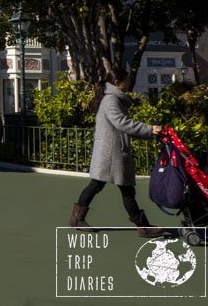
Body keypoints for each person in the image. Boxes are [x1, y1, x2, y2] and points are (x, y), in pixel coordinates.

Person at [68, 67, 163, 237]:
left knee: (105, 187)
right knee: (120, 189)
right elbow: (122, 123)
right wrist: (149, 129)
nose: (129, 82)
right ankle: (143, 226)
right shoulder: (111, 100)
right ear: (118, 83)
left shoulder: (114, 99)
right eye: (127, 79)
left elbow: (122, 126)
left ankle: (77, 218)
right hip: (111, 154)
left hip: (113, 152)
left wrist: (149, 133)